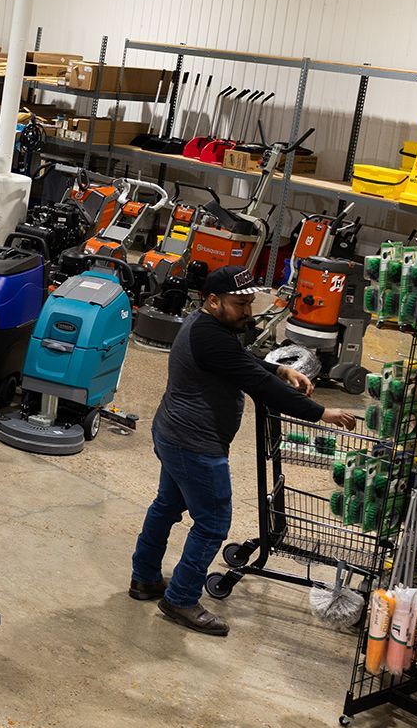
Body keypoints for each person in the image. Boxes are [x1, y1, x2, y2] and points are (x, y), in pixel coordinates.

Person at [130, 266, 360, 636]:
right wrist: (322, 413)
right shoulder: (209, 335)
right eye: (240, 304)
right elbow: (255, 383)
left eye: (250, 302)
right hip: (196, 445)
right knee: (213, 523)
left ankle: (144, 578)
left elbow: (239, 361)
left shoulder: (208, 327)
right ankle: (182, 599)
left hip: (175, 434)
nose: (248, 312)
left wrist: (280, 370)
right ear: (213, 301)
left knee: (167, 506)